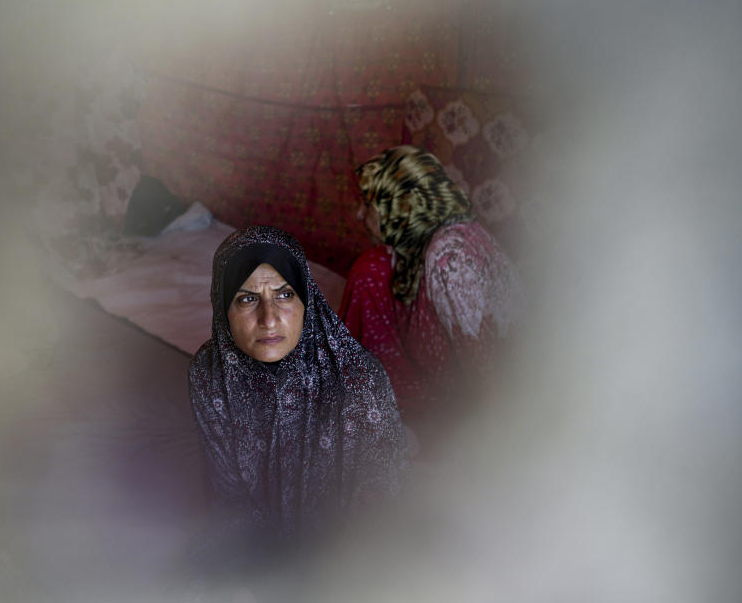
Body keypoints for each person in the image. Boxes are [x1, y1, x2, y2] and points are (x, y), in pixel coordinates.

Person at [188, 225, 407, 567]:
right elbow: (227, 497)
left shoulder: (357, 382)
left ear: (307, 298)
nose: (269, 318)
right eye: (247, 299)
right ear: (222, 308)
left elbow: (380, 516)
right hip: (258, 552)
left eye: (285, 294)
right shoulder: (210, 373)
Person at [339, 146, 524, 444]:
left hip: (472, 405)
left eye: (368, 203)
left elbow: (491, 374)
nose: (360, 214)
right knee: (372, 267)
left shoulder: (449, 260)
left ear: (400, 207)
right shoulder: (430, 243)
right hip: (439, 380)